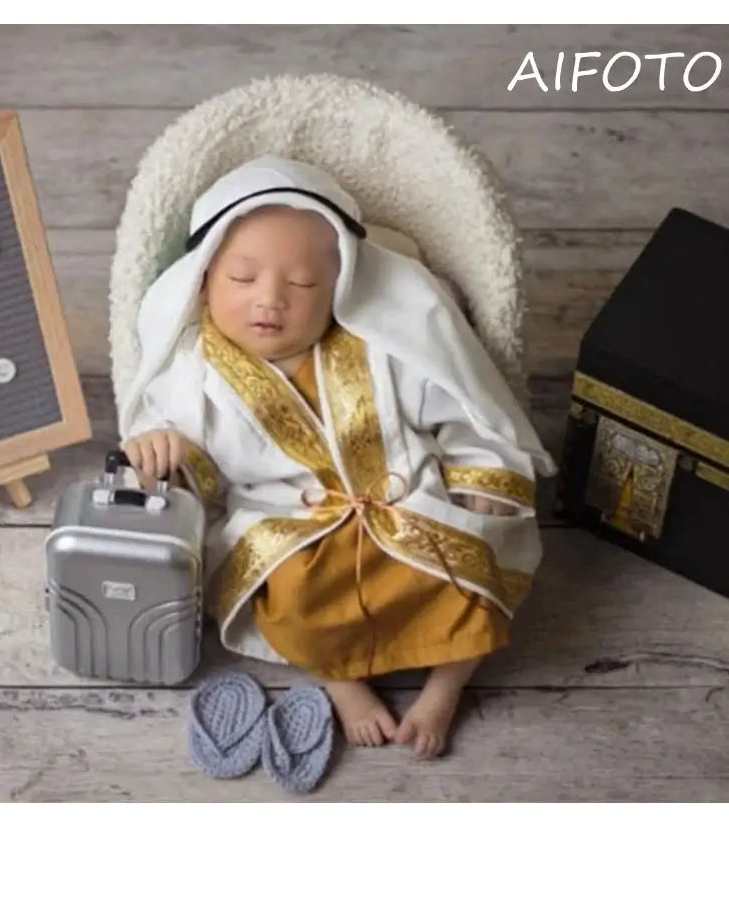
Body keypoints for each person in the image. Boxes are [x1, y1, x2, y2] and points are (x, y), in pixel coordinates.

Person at [118, 155, 556, 758]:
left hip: (409, 504)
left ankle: (446, 687)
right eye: (242, 279)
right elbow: (197, 474)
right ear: (203, 279)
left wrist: (481, 473)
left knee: (470, 574)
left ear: (340, 287)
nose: (270, 300)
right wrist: (163, 450)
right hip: (293, 529)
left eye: (302, 285)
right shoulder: (194, 374)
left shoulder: (385, 345)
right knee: (287, 599)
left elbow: (462, 411)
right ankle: (340, 681)